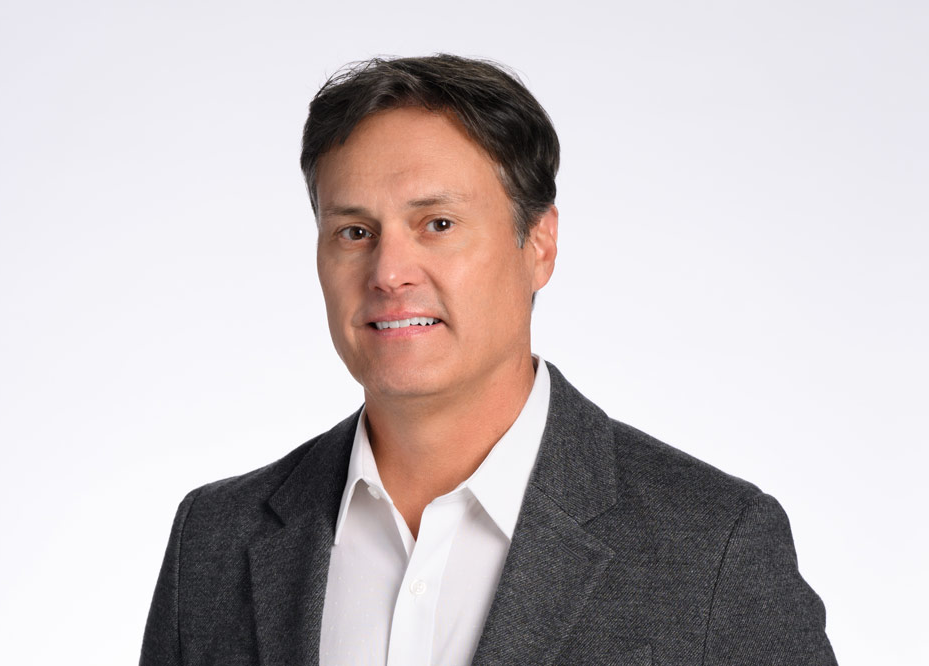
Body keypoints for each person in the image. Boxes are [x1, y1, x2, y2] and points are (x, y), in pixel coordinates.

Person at [140, 55, 836, 665]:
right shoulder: (215, 540)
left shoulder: (713, 548)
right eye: (354, 231)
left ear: (539, 245)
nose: (388, 271)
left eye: (437, 225)